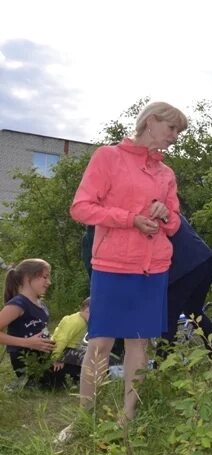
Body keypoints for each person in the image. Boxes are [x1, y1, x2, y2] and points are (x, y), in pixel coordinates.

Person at [69, 101, 187, 424]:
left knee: (139, 344)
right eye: (172, 128)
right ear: (150, 122)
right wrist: (130, 219)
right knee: (100, 343)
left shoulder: (166, 173)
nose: (175, 137)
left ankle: (127, 418)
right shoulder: (108, 158)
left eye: (178, 131)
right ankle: (84, 419)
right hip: (111, 265)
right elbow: (81, 208)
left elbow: (176, 223)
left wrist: (164, 215)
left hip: (154, 267)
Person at [160, 213, 212, 354]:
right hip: (204, 259)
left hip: (186, 267)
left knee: (168, 316)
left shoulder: (146, 210)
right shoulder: (163, 202)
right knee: (193, 311)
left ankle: (163, 366)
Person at [0, 259, 60, 387]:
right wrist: (27, 342)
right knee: (74, 373)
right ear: (28, 278)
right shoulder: (18, 304)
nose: (49, 282)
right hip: (27, 362)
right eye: (44, 277)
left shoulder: (41, 305)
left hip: (43, 356)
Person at [50, 297, 91, 383]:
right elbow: (62, 340)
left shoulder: (82, 320)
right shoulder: (76, 322)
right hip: (62, 349)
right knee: (89, 356)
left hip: (69, 347)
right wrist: (57, 358)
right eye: (90, 312)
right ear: (84, 310)